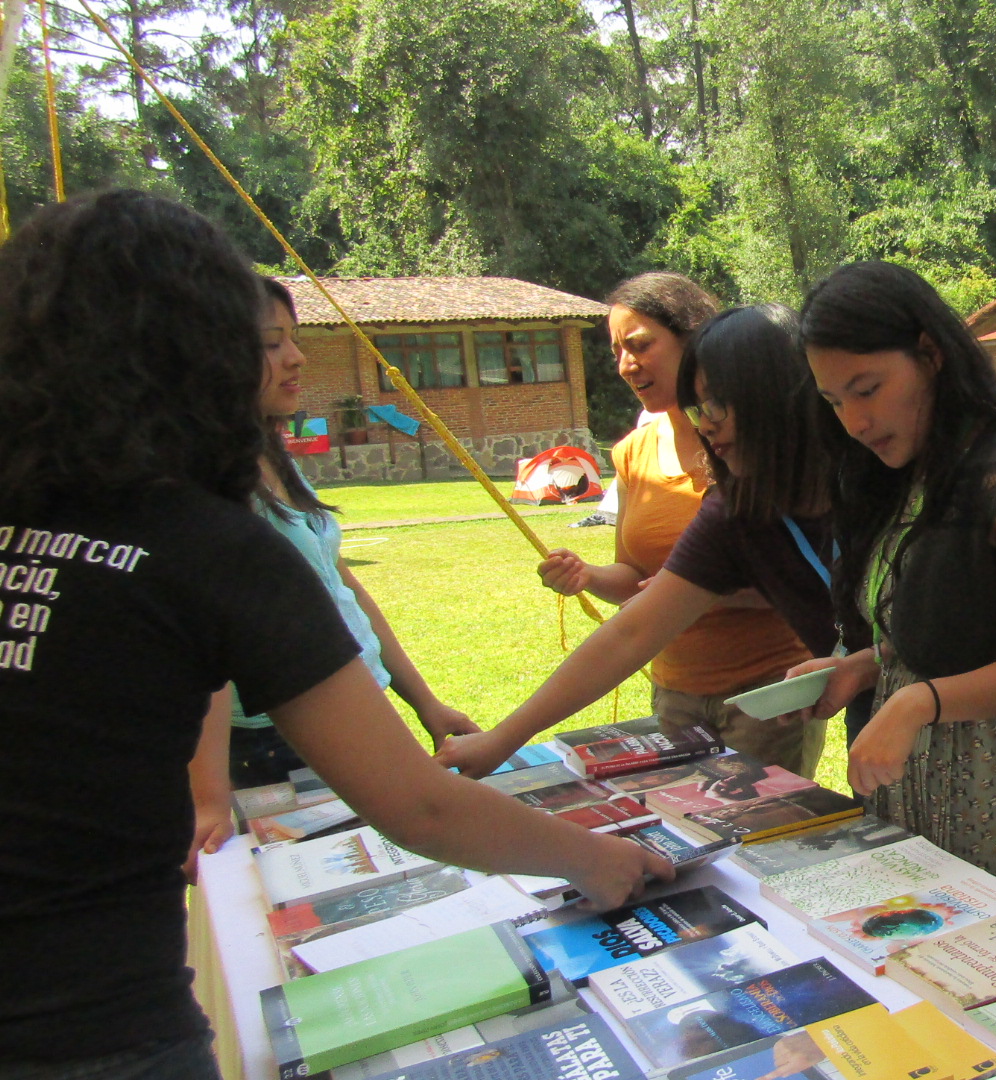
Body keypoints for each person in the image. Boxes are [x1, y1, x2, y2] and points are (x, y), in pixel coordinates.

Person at [0, 191, 665, 1078]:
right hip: (92, 1028)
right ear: (201, 349)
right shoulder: (212, 545)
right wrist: (595, 859)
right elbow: (418, 804)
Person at [794, 260, 996, 913]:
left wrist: (916, 703)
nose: (854, 421)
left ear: (930, 355)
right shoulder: (904, 470)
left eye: (867, 389)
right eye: (835, 401)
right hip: (912, 782)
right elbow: (948, 623)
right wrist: (864, 666)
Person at [438, 305, 858, 780]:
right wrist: (501, 739)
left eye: (717, 403)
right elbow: (631, 634)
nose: (705, 425)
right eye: (697, 407)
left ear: (773, 393)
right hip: (876, 719)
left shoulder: (873, 472)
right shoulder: (732, 510)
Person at [534, 275, 812, 770]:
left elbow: (813, 578)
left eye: (640, 345)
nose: (626, 364)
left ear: (696, 337)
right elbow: (634, 584)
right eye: (616, 351)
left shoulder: (751, 451)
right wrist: (588, 575)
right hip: (675, 694)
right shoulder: (631, 453)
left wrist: (697, 592)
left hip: (767, 694)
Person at [218, 278, 479, 787]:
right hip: (276, 736)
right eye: (272, 343)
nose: (297, 358)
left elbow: (344, 589)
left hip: (359, 701)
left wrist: (425, 703)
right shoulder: (210, 482)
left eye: (295, 339)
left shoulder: (273, 455)